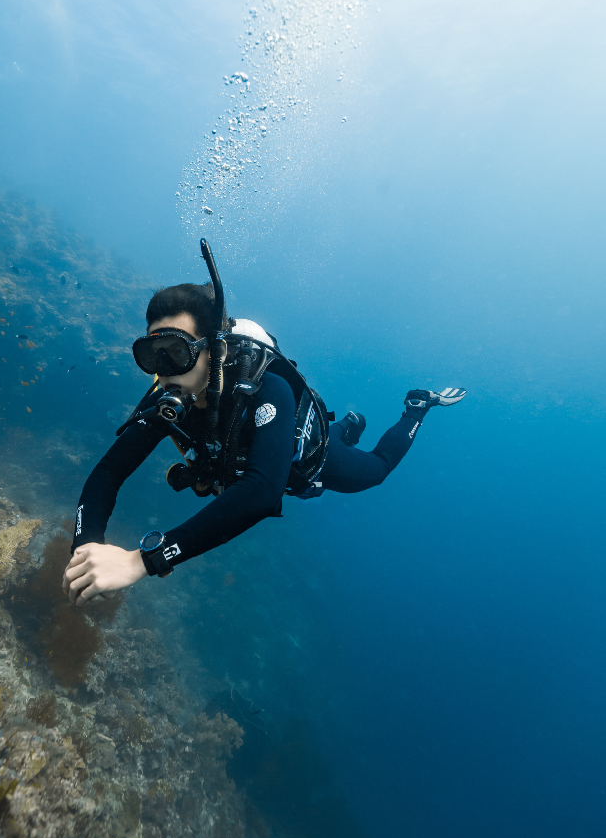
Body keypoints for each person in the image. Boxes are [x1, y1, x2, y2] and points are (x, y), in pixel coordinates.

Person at [62, 246, 465, 605]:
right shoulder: (167, 401)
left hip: (306, 458)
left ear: (216, 349)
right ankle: (348, 424)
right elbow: (108, 473)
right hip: (250, 454)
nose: (165, 371)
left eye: (177, 353)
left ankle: (415, 409)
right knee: (340, 437)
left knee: (375, 471)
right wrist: (85, 549)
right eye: (153, 355)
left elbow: (261, 492)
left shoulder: (268, 389)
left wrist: (142, 561)